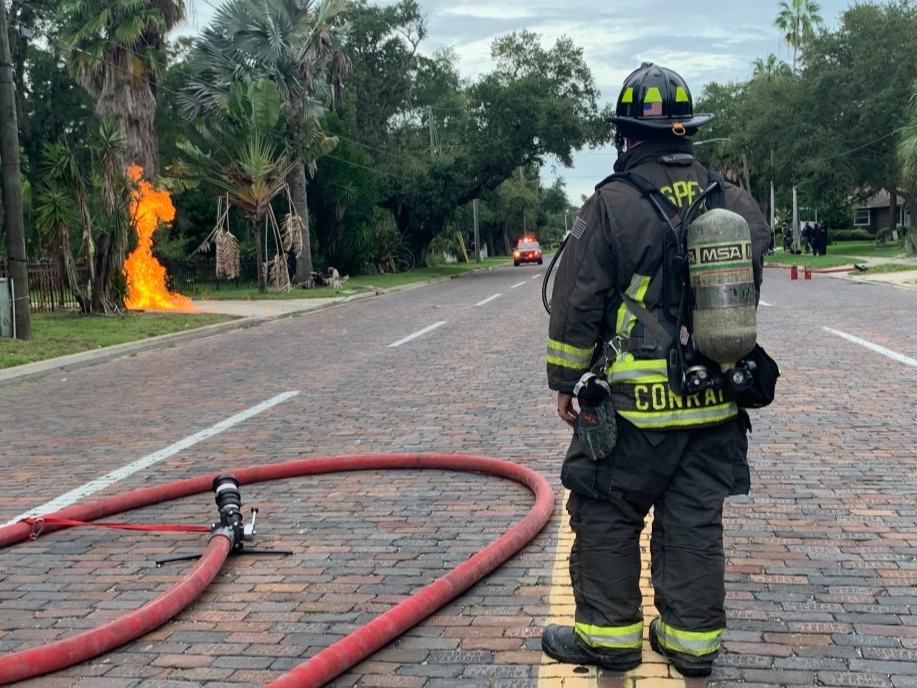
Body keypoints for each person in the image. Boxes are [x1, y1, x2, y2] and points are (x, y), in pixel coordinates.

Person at [542, 63, 770, 678]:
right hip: (716, 403)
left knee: (606, 511)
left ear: (626, 137)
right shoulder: (731, 201)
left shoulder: (611, 204)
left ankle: (608, 638)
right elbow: (746, 278)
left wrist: (566, 383)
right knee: (695, 520)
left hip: (632, 411)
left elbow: (578, 301)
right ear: (687, 132)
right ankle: (691, 645)